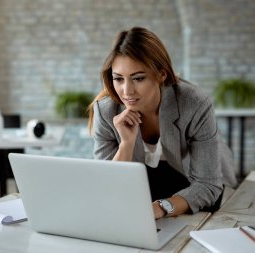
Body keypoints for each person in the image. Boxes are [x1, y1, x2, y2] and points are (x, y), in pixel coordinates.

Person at [88, 27, 237, 219]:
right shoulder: (106, 110)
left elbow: (207, 185)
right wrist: (126, 145)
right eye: (118, 79)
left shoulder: (194, 103)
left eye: (138, 78)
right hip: (148, 184)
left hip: (195, 181)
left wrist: (160, 208)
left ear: (161, 74)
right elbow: (106, 188)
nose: (127, 91)